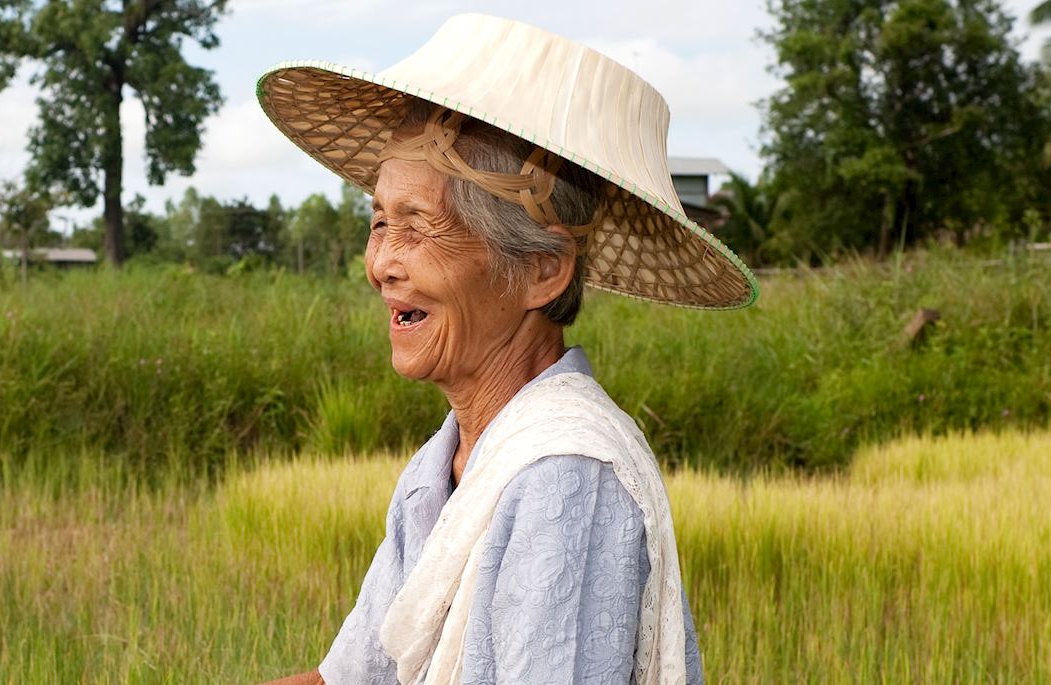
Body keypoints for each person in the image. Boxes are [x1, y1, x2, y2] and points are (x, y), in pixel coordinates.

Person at [253, 13, 757, 685]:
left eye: (420, 227)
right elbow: (349, 677)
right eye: (379, 222)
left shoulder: (565, 475)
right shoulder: (447, 465)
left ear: (542, 270)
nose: (381, 264)